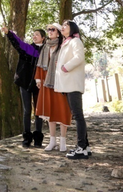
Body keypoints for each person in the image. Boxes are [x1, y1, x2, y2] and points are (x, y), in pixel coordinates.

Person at [1, 25, 45, 147]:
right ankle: (26, 138)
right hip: (24, 83)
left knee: (38, 111)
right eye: (33, 34)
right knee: (27, 111)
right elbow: (17, 42)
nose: (34, 36)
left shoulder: (46, 52)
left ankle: (38, 138)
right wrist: (8, 33)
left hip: (39, 84)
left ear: (43, 38)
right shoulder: (27, 48)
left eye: (37, 34)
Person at [55, 19, 91, 160]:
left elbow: (79, 58)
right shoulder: (67, 42)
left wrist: (65, 67)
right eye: (62, 26)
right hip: (68, 83)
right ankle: (86, 147)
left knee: (77, 115)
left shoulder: (75, 41)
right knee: (77, 115)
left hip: (73, 84)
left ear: (73, 28)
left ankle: (81, 147)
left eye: (66, 26)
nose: (63, 28)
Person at [34, 23, 73, 152]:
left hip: (60, 82)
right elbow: (40, 65)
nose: (50, 31)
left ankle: (63, 141)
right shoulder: (45, 47)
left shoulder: (63, 46)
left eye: (52, 29)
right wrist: (38, 79)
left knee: (62, 110)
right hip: (47, 83)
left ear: (58, 32)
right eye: (48, 29)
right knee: (49, 112)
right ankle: (52, 141)